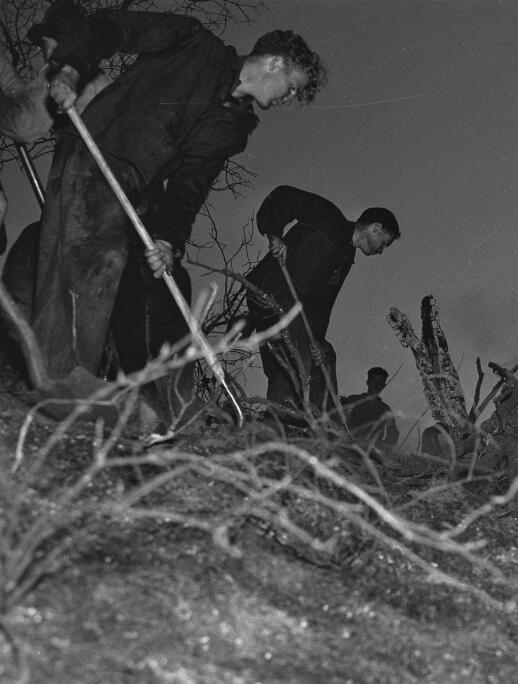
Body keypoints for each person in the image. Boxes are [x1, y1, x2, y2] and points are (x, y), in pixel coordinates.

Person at [25, 1, 326, 385]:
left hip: (138, 189)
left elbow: (190, 186)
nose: (288, 98)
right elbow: (110, 26)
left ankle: (131, 390)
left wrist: (169, 239)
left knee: (139, 285)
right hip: (98, 152)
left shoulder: (233, 125)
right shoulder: (192, 42)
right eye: (292, 88)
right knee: (90, 261)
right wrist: (69, 68)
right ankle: (60, 382)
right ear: (276, 64)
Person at [243, 185, 399, 410]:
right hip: (272, 291)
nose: (381, 250)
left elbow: (322, 304)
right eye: (384, 242)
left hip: (291, 309)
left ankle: (297, 424)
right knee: (297, 362)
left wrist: (316, 338)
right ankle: (280, 424)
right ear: (376, 228)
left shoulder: (345, 258)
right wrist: (274, 233)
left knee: (306, 362)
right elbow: (284, 196)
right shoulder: (329, 218)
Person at [340, 366, 400, 452]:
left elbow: (393, 434)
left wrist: (382, 449)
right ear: (367, 382)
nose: (376, 385)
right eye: (373, 381)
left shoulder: (385, 409)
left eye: (380, 382)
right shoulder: (353, 400)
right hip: (348, 446)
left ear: (384, 386)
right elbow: (340, 420)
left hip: (371, 453)